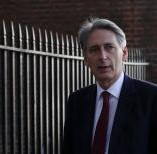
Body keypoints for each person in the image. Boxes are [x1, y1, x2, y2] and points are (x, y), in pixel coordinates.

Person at [62, 17, 157, 154]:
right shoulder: (77, 101)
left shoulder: (151, 98)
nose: (102, 56)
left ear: (124, 54)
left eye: (109, 47)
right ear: (86, 59)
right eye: (94, 49)